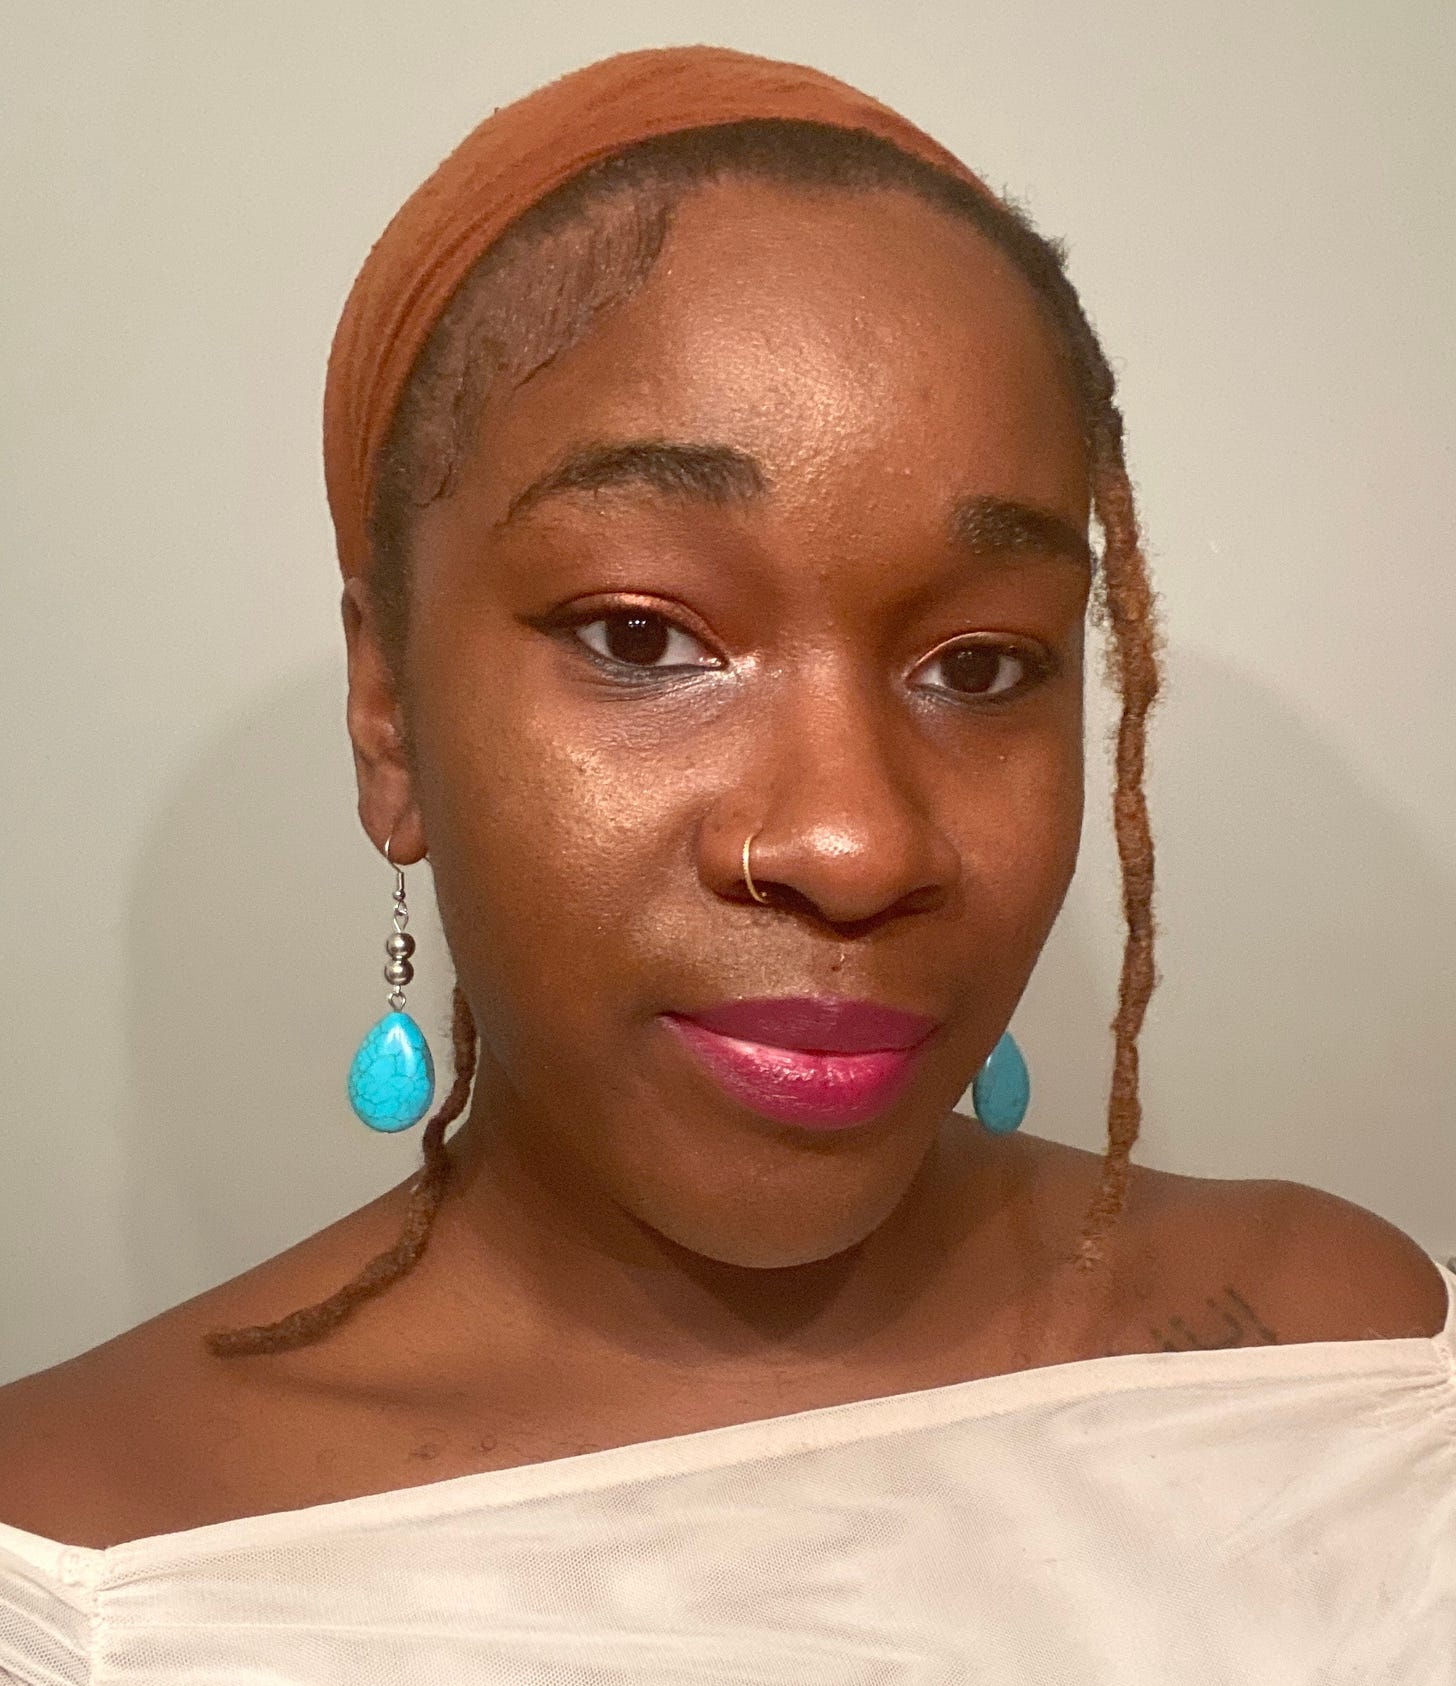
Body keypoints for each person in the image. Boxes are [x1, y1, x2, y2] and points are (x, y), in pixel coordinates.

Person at [0, 43, 1450, 1686]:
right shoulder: (87, 1570)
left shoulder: (1357, 1369)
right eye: (642, 637)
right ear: (387, 714)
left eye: (980, 666)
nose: (854, 842)